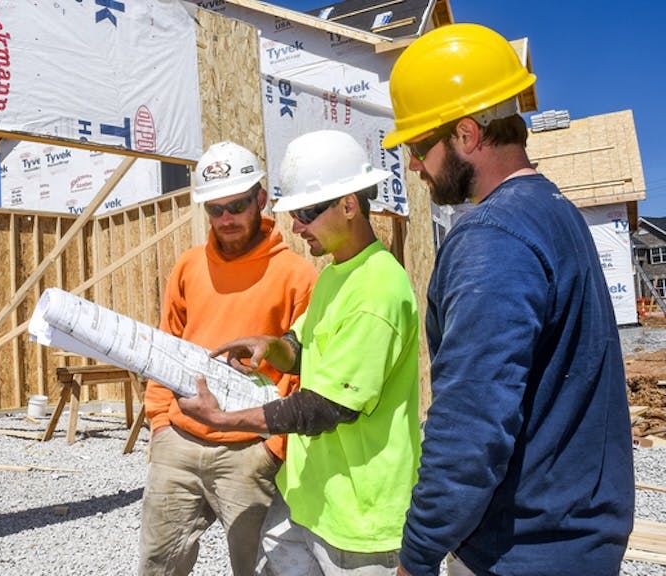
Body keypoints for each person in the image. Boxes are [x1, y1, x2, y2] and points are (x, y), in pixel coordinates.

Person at [380, 23, 635, 576]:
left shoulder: (491, 238)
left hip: (521, 551)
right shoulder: (554, 213)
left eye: (420, 146)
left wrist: (417, 555)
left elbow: (470, 424)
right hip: (575, 538)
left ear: (467, 135)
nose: (415, 166)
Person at [178, 129, 421, 576]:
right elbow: (303, 347)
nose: (295, 226)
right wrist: (271, 346)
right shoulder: (336, 273)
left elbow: (326, 407)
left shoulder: (379, 289)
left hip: (359, 520)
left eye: (306, 212)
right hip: (312, 500)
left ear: (349, 204)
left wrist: (225, 420)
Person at [138, 141, 318, 576]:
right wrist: (160, 422)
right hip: (178, 444)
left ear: (261, 198)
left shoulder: (297, 274)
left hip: (249, 453)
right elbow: (168, 344)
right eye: (214, 209)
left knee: (257, 569)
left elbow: (305, 369)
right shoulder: (188, 267)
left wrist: (272, 448)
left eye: (236, 205)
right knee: (158, 566)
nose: (226, 219)